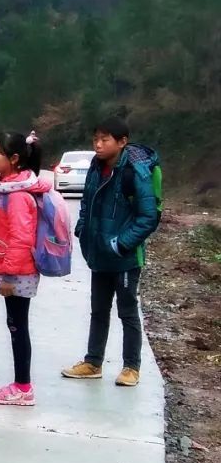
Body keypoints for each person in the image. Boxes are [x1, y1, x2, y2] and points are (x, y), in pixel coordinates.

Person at [62, 116, 160, 387]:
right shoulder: (96, 167)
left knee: (127, 312)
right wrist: (83, 228)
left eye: (104, 140)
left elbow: (148, 217)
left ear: (122, 142)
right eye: (95, 139)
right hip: (99, 253)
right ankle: (93, 362)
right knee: (98, 310)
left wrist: (122, 244)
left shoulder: (135, 172)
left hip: (125, 257)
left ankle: (131, 367)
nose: (98, 144)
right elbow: (86, 202)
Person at [0, 131, 49, 406]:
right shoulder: (6, 187)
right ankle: (21, 385)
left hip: (17, 272)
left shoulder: (18, 195)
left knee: (17, 327)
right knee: (16, 325)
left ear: (13, 159)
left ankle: (23, 387)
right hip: (12, 268)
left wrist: (9, 275)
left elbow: (21, 237)